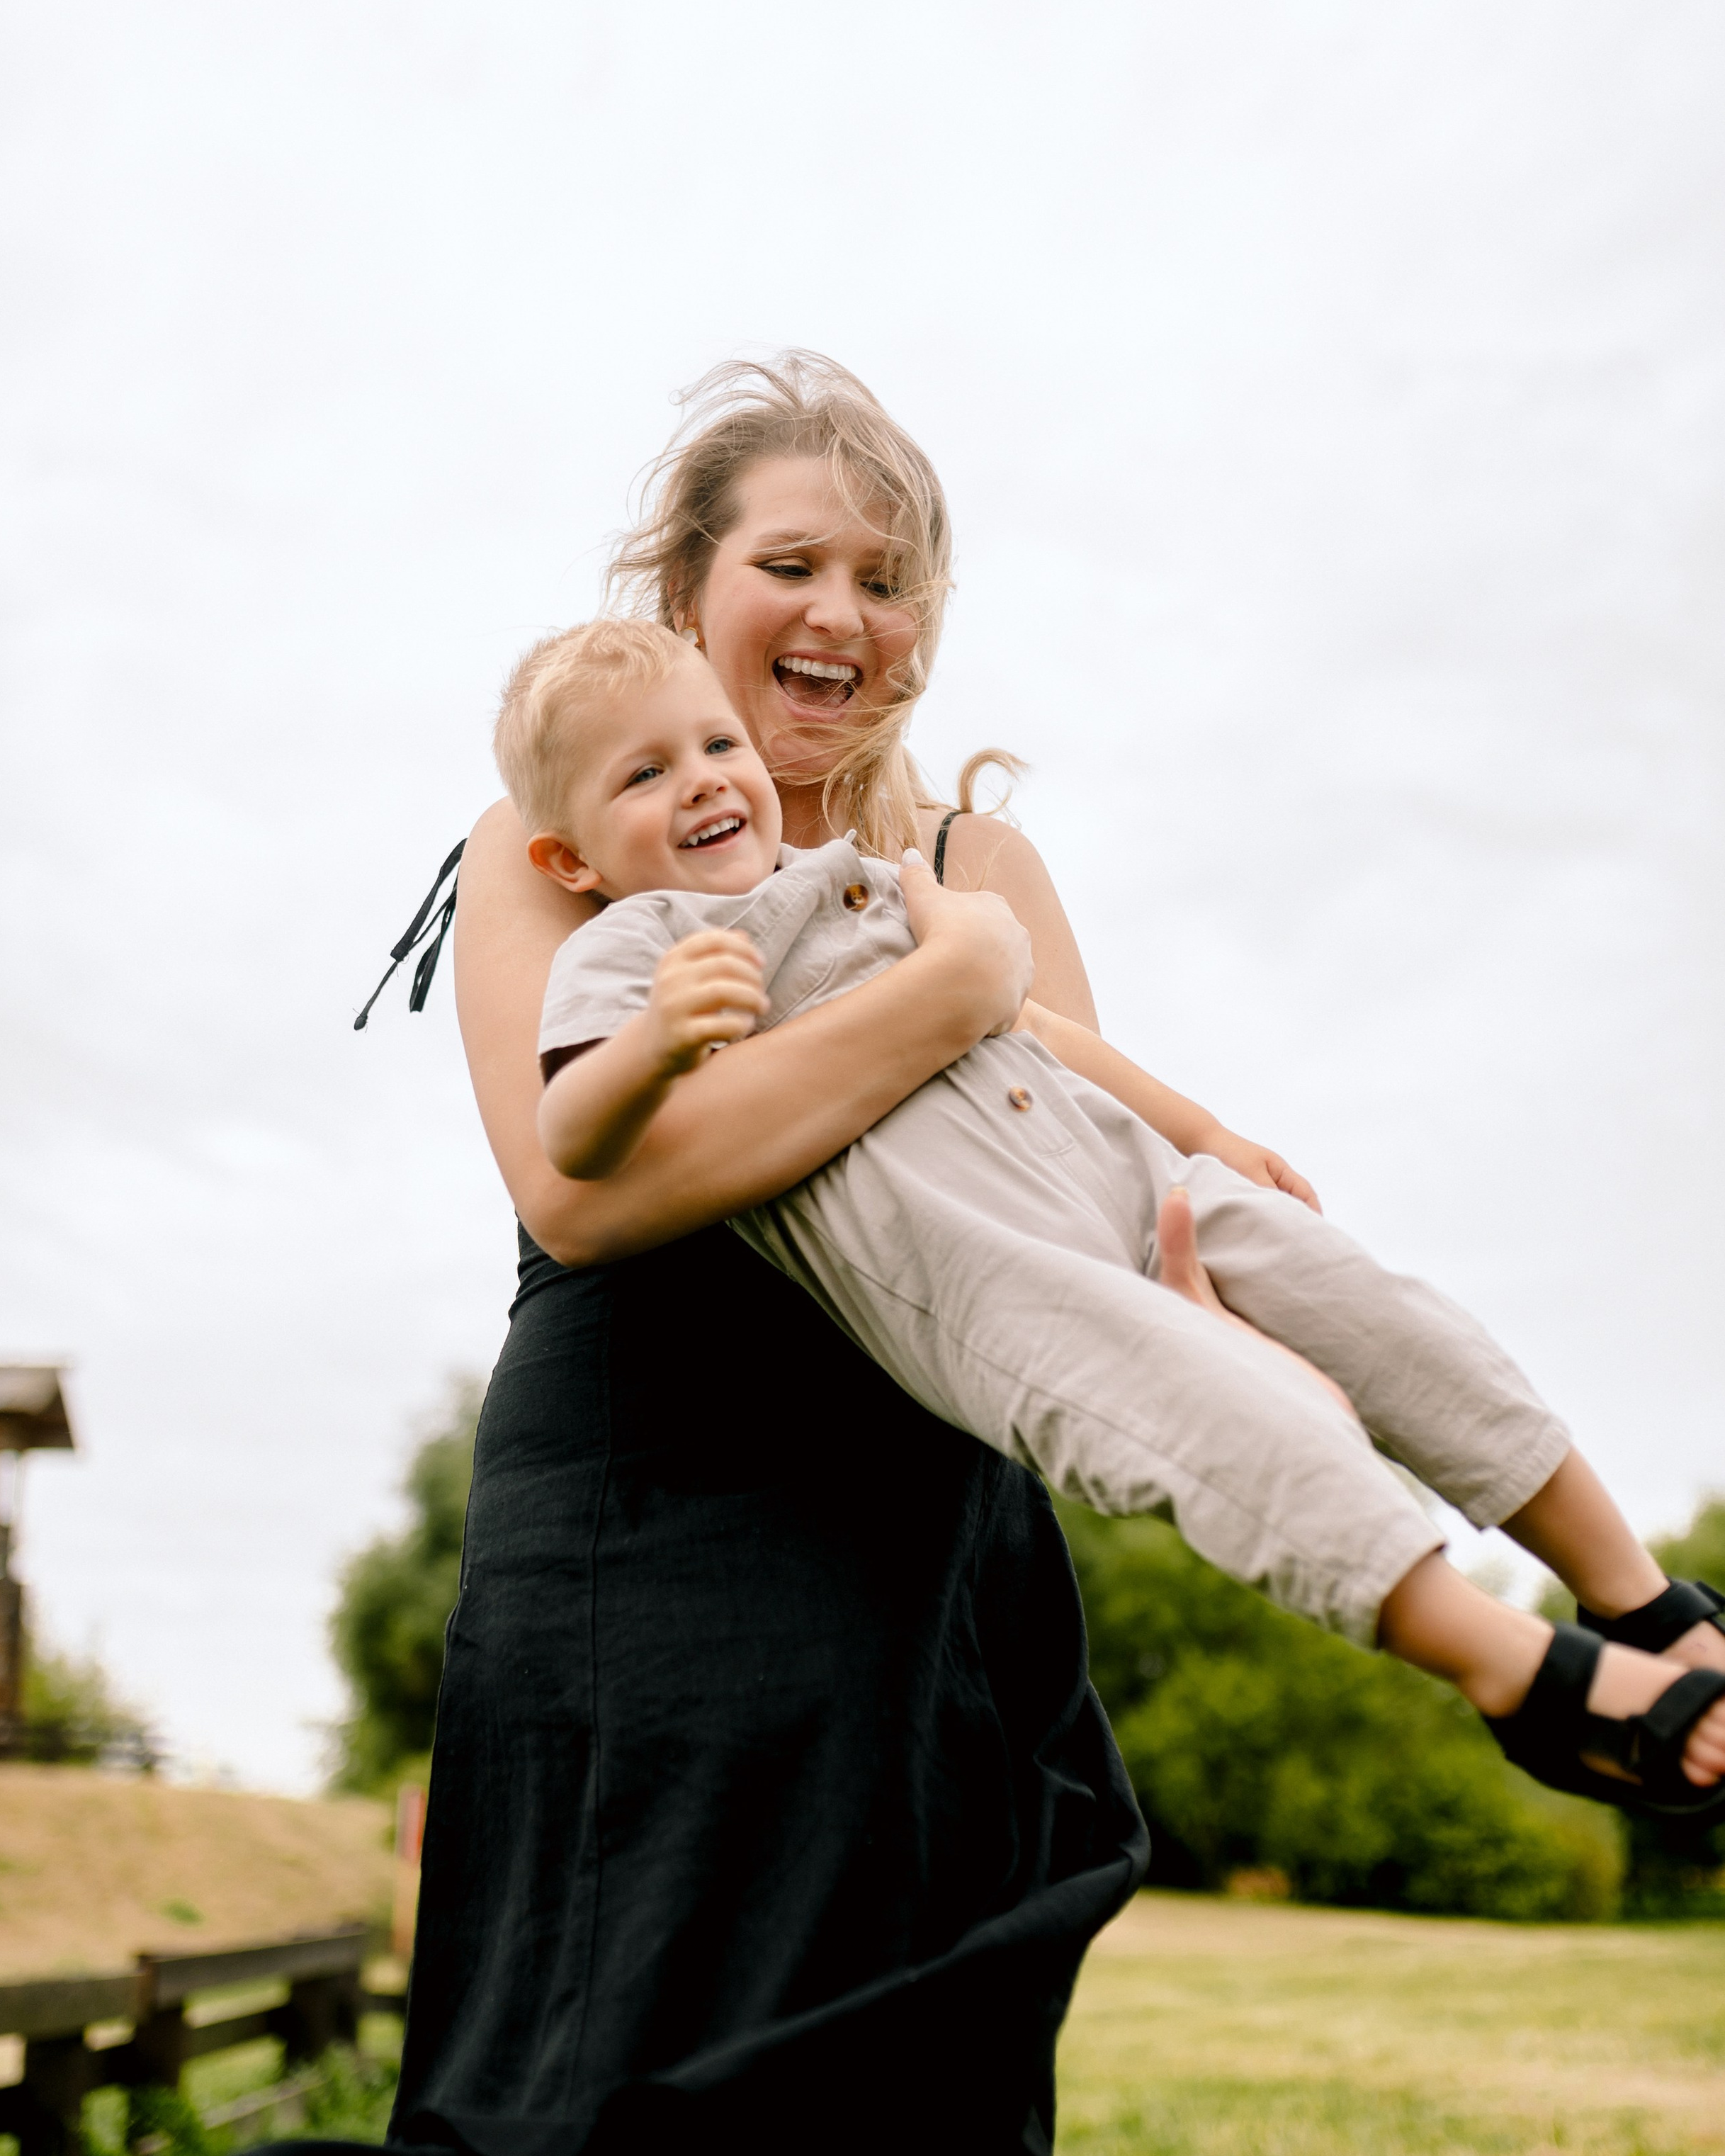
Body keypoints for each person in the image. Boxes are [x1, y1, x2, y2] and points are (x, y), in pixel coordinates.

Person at [64, 356, 1146, 2156]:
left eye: (890, 577)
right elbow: (585, 1189)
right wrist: (950, 997)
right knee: (587, 2088)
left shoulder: (978, 860)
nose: (843, 613)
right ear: (688, 588)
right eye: (792, 562)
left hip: (915, 1558)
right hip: (630, 1545)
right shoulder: (546, 840)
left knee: (894, 2137)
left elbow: (1070, 1199)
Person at [492, 611, 1725, 1817]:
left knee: (1382, 1314)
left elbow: (1033, 1024)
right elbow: (573, 1139)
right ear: (570, 862)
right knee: (1220, 1415)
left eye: (718, 745)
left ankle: (1639, 1598)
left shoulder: (860, 879)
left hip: (1124, 1178)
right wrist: (655, 1043)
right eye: (645, 774)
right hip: (998, 1280)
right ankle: (1508, 1663)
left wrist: (1205, 1134)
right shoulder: (635, 947)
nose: (704, 780)